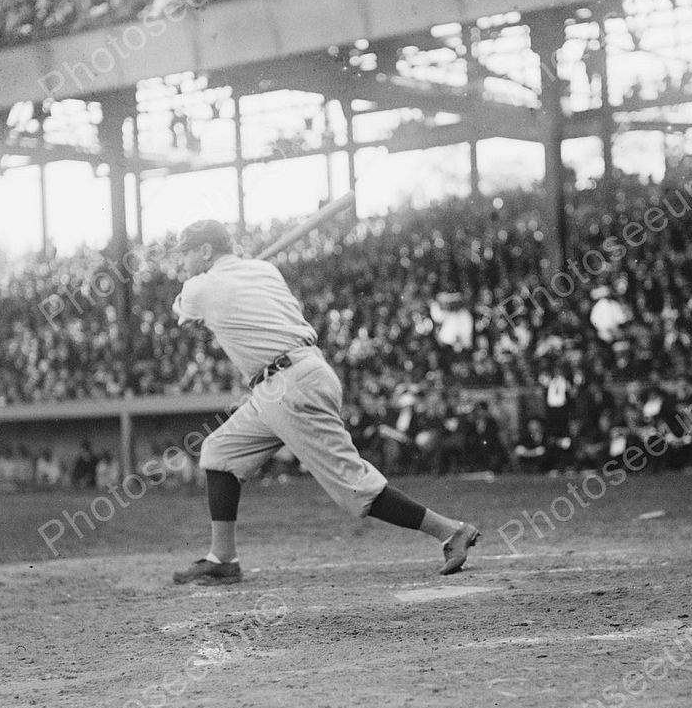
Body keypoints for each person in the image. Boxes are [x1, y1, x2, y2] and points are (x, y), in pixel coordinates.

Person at [168, 219, 479, 585]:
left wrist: (197, 291)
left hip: (288, 385)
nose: (183, 261)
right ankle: (222, 558)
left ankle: (450, 530)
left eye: (186, 253)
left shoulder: (200, 287)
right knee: (220, 452)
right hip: (291, 378)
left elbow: (182, 313)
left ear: (205, 251)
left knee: (352, 488)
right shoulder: (262, 269)